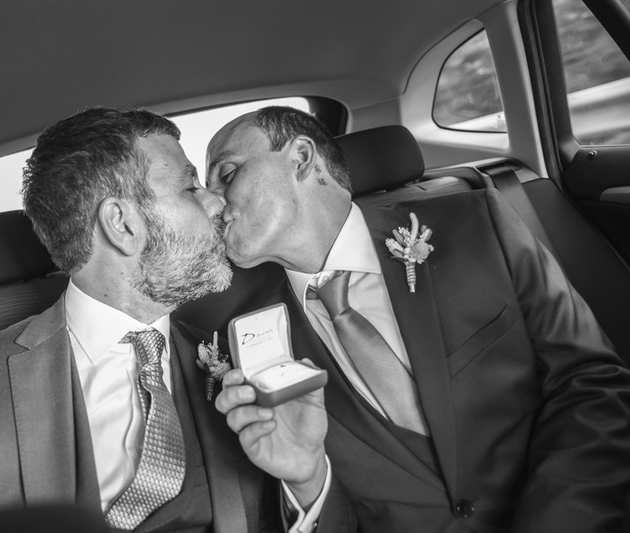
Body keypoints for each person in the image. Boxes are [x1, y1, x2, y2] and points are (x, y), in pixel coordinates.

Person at [0, 107, 352, 532]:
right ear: (122, 224)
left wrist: (307, 480)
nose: (217, 203)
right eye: (190, 188)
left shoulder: (240, 358)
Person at [208, 106, 630, 533]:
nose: (210, 203)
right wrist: (308, 483)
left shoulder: (478, 224)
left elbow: (589, 380)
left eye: (227, 174)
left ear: (301, 158)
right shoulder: (239, 346)